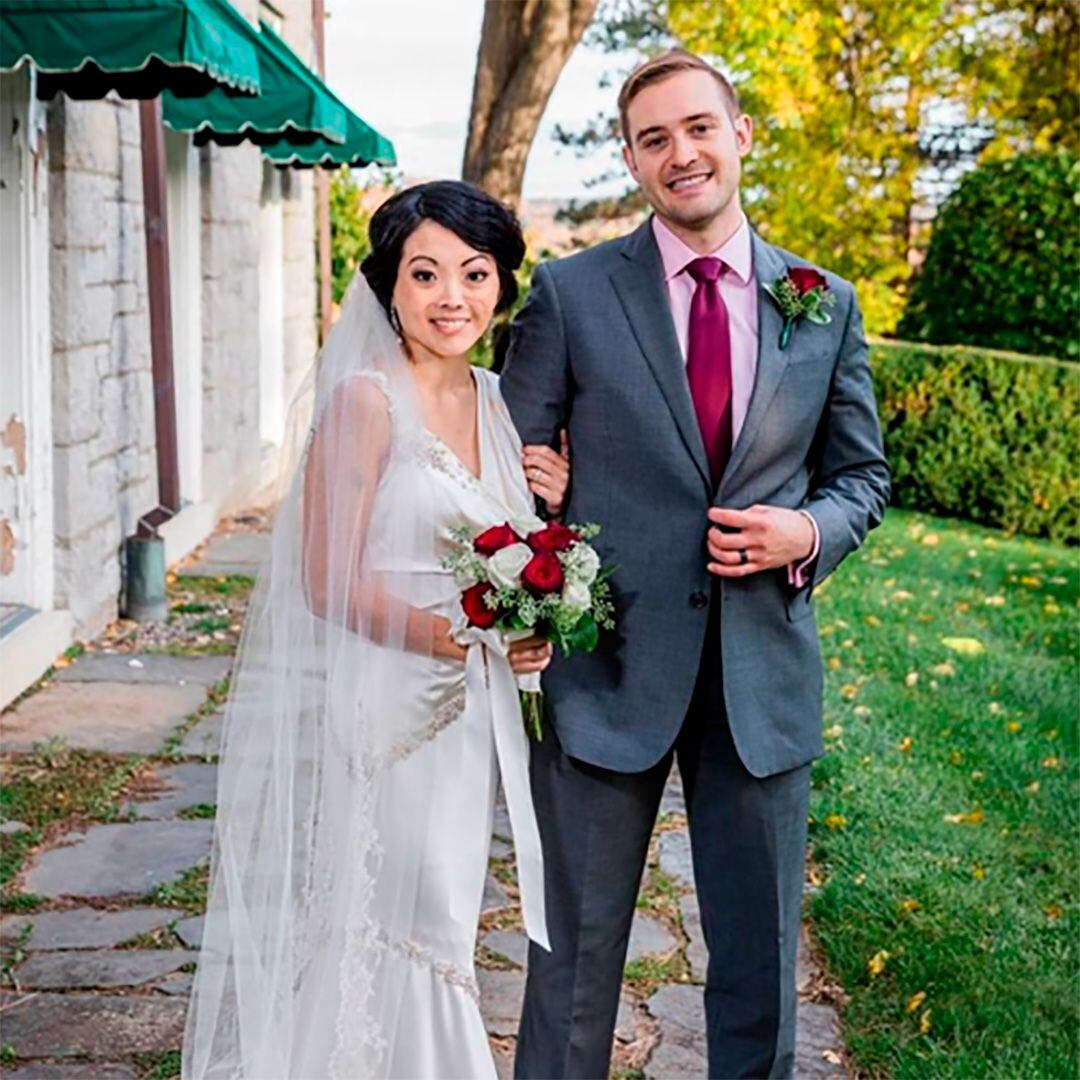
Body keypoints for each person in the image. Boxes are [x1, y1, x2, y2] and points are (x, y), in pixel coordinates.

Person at [502, 49, 890, 1079]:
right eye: (655, 138)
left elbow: (863, 479)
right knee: (571, 962)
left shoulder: (823, 300)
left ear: (740, 134)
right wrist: (535, 505)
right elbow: (503, 476)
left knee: (759, 973)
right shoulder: (572, 293)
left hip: (760, 682)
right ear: (631, 160)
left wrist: (805, 534)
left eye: (699, 127)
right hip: (606, 675)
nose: (682, 154)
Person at [182, 180, 570, 1080]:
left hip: (469, 712)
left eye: (474, 275)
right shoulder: (365, 399)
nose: (451, 298)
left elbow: (504, 554)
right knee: (404, 911)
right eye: (424, 273)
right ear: (387, 285)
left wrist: (523, 615)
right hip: (392, 705)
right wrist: (455, 638)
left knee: (441, 918)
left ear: (500, 286)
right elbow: (325, 578)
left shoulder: (495, 400)